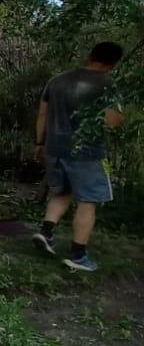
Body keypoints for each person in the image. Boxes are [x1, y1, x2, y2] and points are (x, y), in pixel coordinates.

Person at [32, 41, 124, 272]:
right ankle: (79, 255)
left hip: (54, 147)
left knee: (61, 192)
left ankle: (46, 232)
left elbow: (42, 114)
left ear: (90, 55)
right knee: (87, 201)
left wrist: (40, 144)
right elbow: (112, 121)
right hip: (87, 152)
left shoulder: (57, 81)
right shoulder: (107, 84)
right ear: (112, 64)